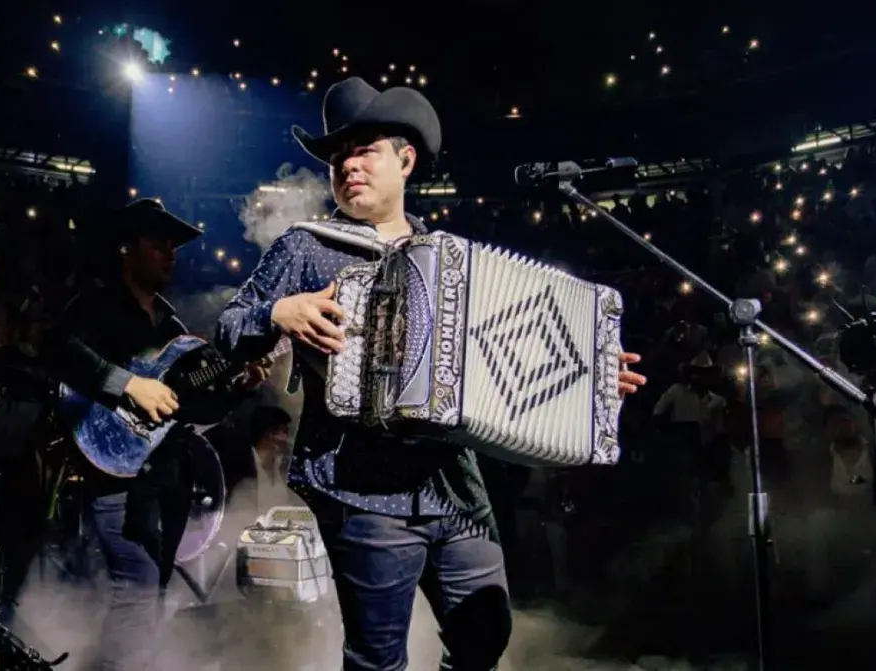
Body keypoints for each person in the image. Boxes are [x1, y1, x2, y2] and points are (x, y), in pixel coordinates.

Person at [215, 76, 648, 670]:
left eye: (364, 149)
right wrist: (277, 311)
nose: (348, 165)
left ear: (406, 159)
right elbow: (229, 327)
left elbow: (512, 350)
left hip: (454, 487)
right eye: (339, 156)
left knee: (485, 634)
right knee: (378, 659)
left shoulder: (453, 259)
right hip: (360, 489)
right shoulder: (305, 247)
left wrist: (590, 379)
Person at [49, 199, 264, 671]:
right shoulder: (96, 303)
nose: (169, 254)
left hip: (165, 474)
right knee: (138, 588)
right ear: (126, 249)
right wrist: (129, 384)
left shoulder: (170, 323)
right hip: (113, 472)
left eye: (173, 246)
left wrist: (237, 390)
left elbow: (187, 408)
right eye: (157, 245)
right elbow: (59, 349)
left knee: (152, 590)